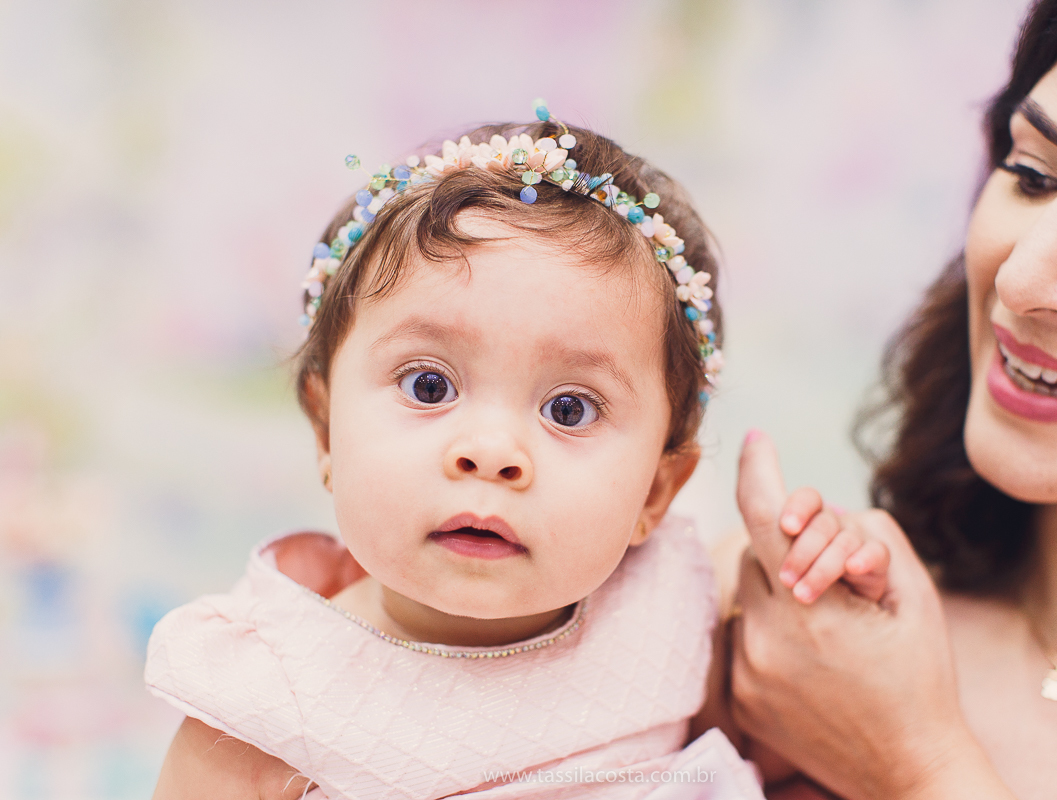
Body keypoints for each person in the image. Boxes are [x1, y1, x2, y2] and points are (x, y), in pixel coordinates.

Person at [143, 107, 885, 799]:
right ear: (326, 430)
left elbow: (815, 745)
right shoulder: (266, 700)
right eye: (429, 386)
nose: (492, 453)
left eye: (569, 409)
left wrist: (826, 568)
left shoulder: (671, 611)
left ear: (656, 495)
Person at [728, 1, 1057, 798]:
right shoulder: (787, 644)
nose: (1021, 278)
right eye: (1034, 174)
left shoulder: (852, 695)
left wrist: (916, 765)